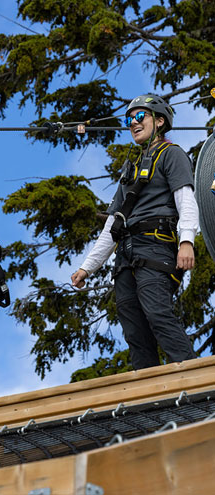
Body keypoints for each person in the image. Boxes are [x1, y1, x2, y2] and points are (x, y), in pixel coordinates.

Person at [71, 94, 198, 370]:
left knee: (157, 314)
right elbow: (112, 224)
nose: (133, 123)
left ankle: (196, 380)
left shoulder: (171, 155)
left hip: (156, 246)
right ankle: (152, 395)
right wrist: (87, 268)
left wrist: (186, 241)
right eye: (129, 119)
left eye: (140, 116)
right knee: (134, 330)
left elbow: (186, 200)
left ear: (160, 121)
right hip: (126, 257)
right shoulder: (130, 172)